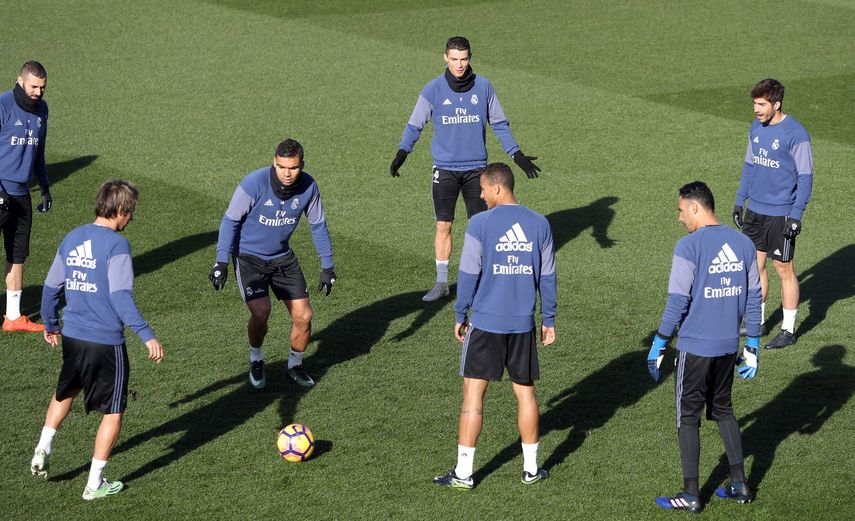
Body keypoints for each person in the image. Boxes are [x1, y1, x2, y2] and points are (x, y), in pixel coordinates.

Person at [32, 180, 164, 500]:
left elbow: (51, 288)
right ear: (119, 210)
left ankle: (42, 448)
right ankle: (95, 484)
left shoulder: (72, 236)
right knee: (114, 410)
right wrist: (147, 335)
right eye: (130, 212)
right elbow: (120, 296)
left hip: (73, 337)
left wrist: (50, 323)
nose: (130, 218)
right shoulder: (117, 245)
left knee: (67, 389)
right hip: (105, 342)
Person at [390, 36, 542, 302]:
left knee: (478, 227)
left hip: (476, 171)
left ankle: (480, 281)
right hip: (445, 170)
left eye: (464, 59)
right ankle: (441, 283)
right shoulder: (433, 89)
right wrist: (403, 151)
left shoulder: (483, 87)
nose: (459, 65)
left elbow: (499, 124)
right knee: (443, 225)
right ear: (445, 58)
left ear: (470, 58)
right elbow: (415, 125)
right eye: (454, 59)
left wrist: (517, 155)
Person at [433, 162, 556, 489]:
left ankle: (463, 474)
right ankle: (531, 470)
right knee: (526, 395)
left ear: (498, 188)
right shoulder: (540, 224)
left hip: (485, 323)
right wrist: (550, 318)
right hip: (522, 325)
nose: (481, 195)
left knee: (473, 397)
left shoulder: (480, 224)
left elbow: (469, 273)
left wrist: (460, 313)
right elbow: (548, 276)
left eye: (484, 189)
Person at [647, 181, 761, 513]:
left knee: (688, 417)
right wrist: (751, 344)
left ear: (696, 207)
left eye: (682, 211)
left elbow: (677, 302)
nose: (681, 218)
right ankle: (740, 484)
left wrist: (659, 342)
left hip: (695, 348)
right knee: (724, 410)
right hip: (728, 347)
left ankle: (692, 494)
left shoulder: (688, 246)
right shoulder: (743, 243)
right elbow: (755, 297)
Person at [210, 138, 335, 390]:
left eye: (293, 168)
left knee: (305, 316)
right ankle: (256, 359)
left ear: (302, 165)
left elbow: (318, 225)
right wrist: (221, 261)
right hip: (248, 258)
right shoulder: (253, 183)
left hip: (282, 257)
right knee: (261, 311)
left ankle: (294, 365)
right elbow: (230, 221)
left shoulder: (309, 187)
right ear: (274, 163)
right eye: (281, 167)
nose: (287, 174)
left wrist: (327, 265)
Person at [733, 78, 813, 349]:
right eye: (755, 104)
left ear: (776, 104)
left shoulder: (796, 133)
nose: (756, 109)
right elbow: (749, 166)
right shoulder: (756, 127)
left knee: (783, 269)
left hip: (781, 215)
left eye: (762, 104)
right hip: (755, 210)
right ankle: (758, 321)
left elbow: (806, 177)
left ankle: (788, 331)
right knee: (755, 268)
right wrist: (738, 200)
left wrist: (796, 215)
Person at [1, 61, 53, 332]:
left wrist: (43, 186)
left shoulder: (42, 109)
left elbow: (39, 152)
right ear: (20, 81)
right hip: (0, 192)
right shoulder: (2, 105)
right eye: (34, 86)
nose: (38, 92)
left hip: (22, 196)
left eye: (43, 87)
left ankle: (12, 317)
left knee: (18, 255)